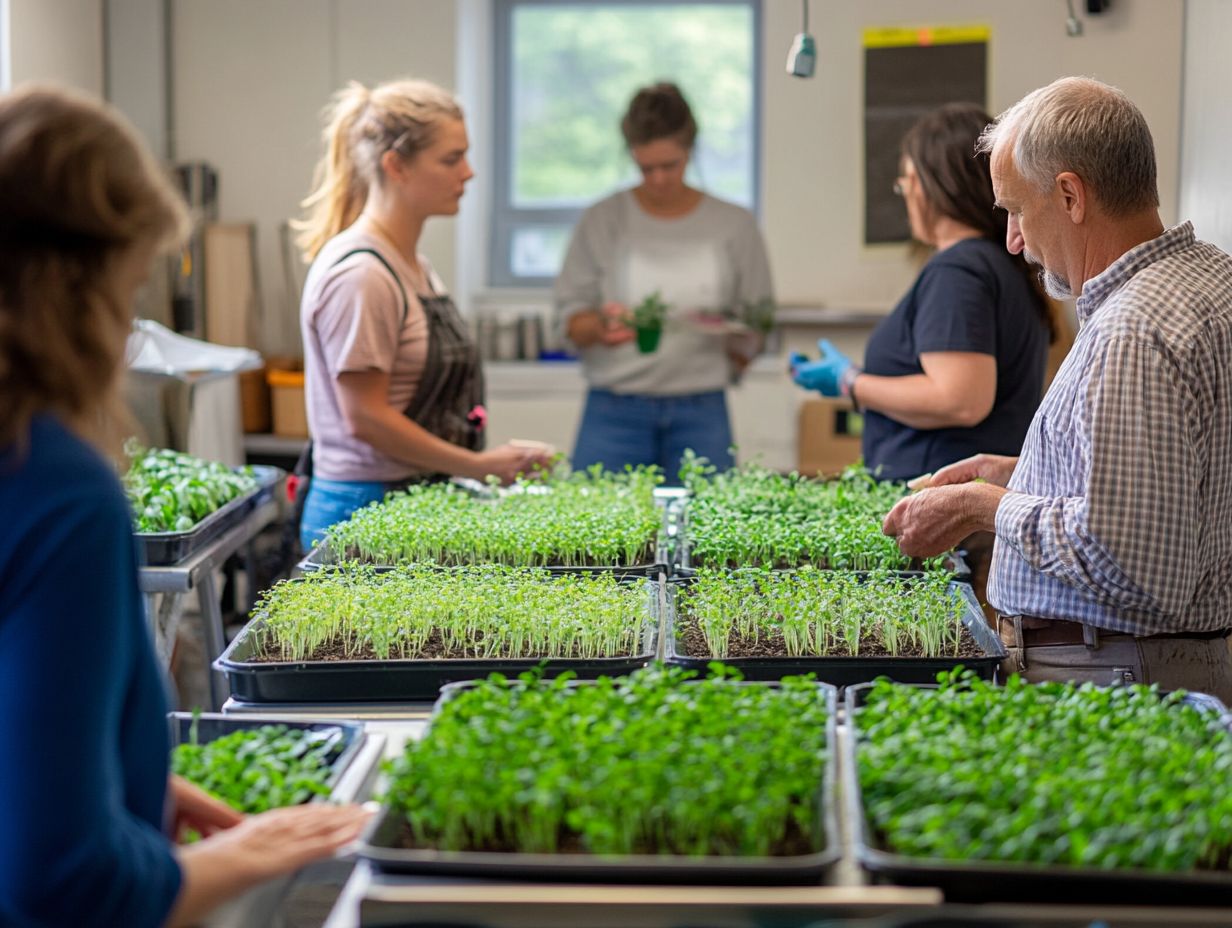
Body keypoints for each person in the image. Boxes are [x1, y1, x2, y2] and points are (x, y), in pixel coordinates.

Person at [0, 84, 370, 928]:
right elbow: (65, 883)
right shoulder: (55, 486)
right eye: (131, 284)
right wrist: (248, 852)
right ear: (76, 285)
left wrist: (120, 767)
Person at [882, 77, 1232, 701]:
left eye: (1016, 210)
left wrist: (979, 507)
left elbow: (1133, 561)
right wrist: (1021, 472)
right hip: (1157, 665)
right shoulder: (1209, 279)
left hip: (1122, 680)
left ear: (1070, 194)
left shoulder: (1134, 328)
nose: (1014, 240)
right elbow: (1174, 489)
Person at [295, 79, 552, 551]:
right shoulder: (363, 276)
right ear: (396, 166)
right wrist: (479, 464)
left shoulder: (413, 266)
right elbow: (366, 419)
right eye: (451, 159)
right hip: (363, 510)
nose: (469, 173)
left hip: (411, 499)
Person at [791, 103, 1054, 482]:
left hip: (942, 494)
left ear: (934, 184)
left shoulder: (958, 271)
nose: (905, 194)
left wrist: (850, 381)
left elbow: (960, 400)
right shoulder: (998, 262)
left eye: (907, 180)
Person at [554, 81, 774, 476]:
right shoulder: (603, 220)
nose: (657, 179)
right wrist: (601, 325)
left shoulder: (733, 224)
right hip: (614, 408)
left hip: (702, 408)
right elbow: (570, 318)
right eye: (645, 168)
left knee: (710, 532)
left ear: (690, 151)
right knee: (598, 530)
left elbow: (758, 316)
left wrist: (731, 352)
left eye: (668, 165)